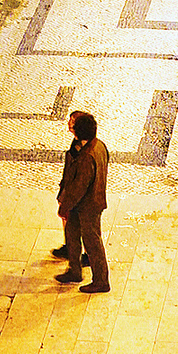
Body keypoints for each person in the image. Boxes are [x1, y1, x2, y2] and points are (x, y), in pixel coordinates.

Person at [52, 111, 111, 291]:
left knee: (92, 243)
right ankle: (74, 271)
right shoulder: (95, 146)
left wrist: (65, 206)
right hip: (84, 204)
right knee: (72, 235)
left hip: (87, 206)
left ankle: (101, 281)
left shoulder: (87, 156)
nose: (69, 125)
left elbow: (79, 186)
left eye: (73, 124)